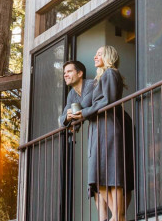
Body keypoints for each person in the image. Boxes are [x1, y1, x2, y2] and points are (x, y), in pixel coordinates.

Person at [81, 45, 134, 221]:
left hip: (108, 128)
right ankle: (116, 217)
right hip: (99, 128)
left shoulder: (111, 73)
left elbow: (108, 101)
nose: (95, 56)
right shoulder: (100, 78)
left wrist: (84, 113)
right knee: (100, 175)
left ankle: (117, 217)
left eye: (99, 53)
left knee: (111, 174)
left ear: (109, 56)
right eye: (95, 54)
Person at [58, 60, 94, 127]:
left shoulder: (91, 84)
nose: (65, 75)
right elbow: (62, 119)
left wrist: (71, 118)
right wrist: (67, 118)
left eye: (69, 71)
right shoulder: (71, 94)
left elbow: (82, 109)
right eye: (64, 73)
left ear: (79, 73)